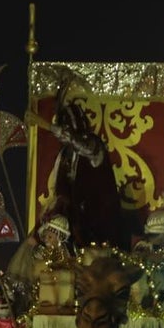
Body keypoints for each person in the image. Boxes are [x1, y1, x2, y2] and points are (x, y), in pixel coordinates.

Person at [44, 87, 131, 251]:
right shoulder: (64, 155)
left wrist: (67, 135)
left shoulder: (93, 144)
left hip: (101, 223)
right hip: (75, 225)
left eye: (67, 128)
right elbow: (60, 189)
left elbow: (88, 149)